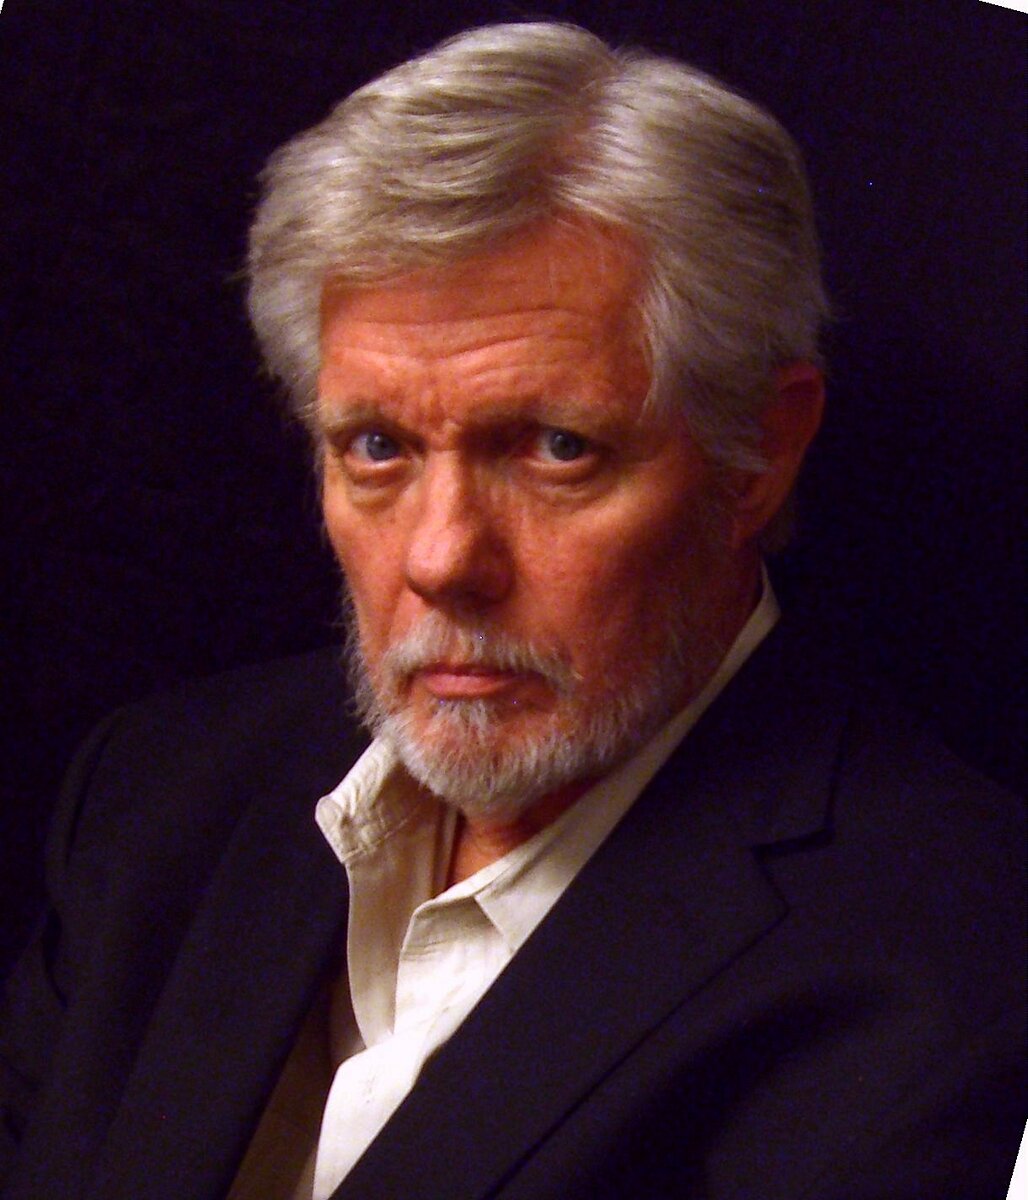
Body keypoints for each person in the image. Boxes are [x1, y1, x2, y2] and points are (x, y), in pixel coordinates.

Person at [0, 21, 1023, 1200]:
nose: (441, 560)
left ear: (759, 452)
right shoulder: (150, 800)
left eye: (555, 449)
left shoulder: (958, 953)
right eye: (375, 447)